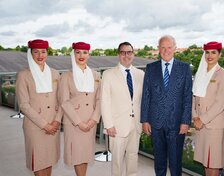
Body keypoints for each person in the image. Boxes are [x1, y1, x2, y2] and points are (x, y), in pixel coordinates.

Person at [141, 35, 192, 176]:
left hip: (177, 124)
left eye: (169, 47)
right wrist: (144, 120)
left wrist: (185, 121)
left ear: (175, 48)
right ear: (158, 49)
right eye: (162, 47)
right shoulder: (150, 68)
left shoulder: (184, 68)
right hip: (155, 123)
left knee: (176, 163)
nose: (166, 50)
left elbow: (187, 97)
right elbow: (146, 95)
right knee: (159, 162)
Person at [16, 39, 62, 176]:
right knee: (38, 162)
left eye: (43, 51)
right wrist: (45, 125)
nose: (40, 55)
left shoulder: (55, 73)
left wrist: (57, 121)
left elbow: (61, 100)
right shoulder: (23, 75)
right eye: (36, 52)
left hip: (53, 124)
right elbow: (24, 105)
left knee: (49, 160)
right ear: (30, 54)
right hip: (35, 126)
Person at [101, 42, 144, 176]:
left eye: (129, 52)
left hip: (136, 124)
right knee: (117, 161)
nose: (126, 55)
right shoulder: (108, 74)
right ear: (118, 55)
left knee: (133, 158)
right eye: (123, 52)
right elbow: (105, 101)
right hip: (117, 126)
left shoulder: (140, 74)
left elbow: (143, 101)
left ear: (133, 54)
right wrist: (109, 125)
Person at [59, 42, 101, 176]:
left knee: (86, 154)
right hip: (74, 122)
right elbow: (64, 102)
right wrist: (79, 122)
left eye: (84, 52)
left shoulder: (96, 75)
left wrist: (94, 119)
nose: (81, 55)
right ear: (73, 54)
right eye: (78, 52)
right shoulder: (66, 76)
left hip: (90, 121)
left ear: (89, 54)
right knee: (77, 155)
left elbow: (100, 99)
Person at [192, 41, 224, 176]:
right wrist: (195, 116)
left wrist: (202, 120)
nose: (210, 55)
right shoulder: (200, 73)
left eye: (214, 52)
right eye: (207, 52)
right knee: (205, 161)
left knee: (213, 162)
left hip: (213, 125)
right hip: (199, 124)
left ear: (220, 54)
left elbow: (220, 103)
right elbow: (194, 98)